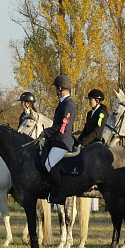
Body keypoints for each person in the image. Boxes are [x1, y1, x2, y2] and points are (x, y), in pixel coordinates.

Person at [41, 73, 77, 204]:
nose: (55, 90)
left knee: (48, 164)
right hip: (57, 140)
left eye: (56, 88)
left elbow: (61, 126)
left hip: (62, 142)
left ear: (60, 88)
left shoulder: (68, 105)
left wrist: (46, 132)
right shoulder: (63, 103)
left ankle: (59, 194)